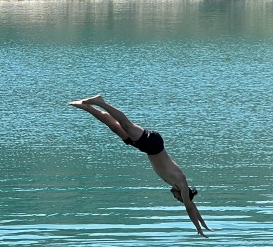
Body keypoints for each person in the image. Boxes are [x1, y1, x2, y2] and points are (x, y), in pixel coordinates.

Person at [69, 95, 210, 237]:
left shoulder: (176, 184)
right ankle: (100, 102)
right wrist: (197, 228)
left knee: (115, 127)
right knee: (125, 124)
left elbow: (191, 205)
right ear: (183, 195)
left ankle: (87, 107)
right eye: (179, 199)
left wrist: (203, 224)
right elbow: (189, 207)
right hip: (153, 144)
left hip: (146, 148)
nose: (176, 198)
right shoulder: (181, 182)